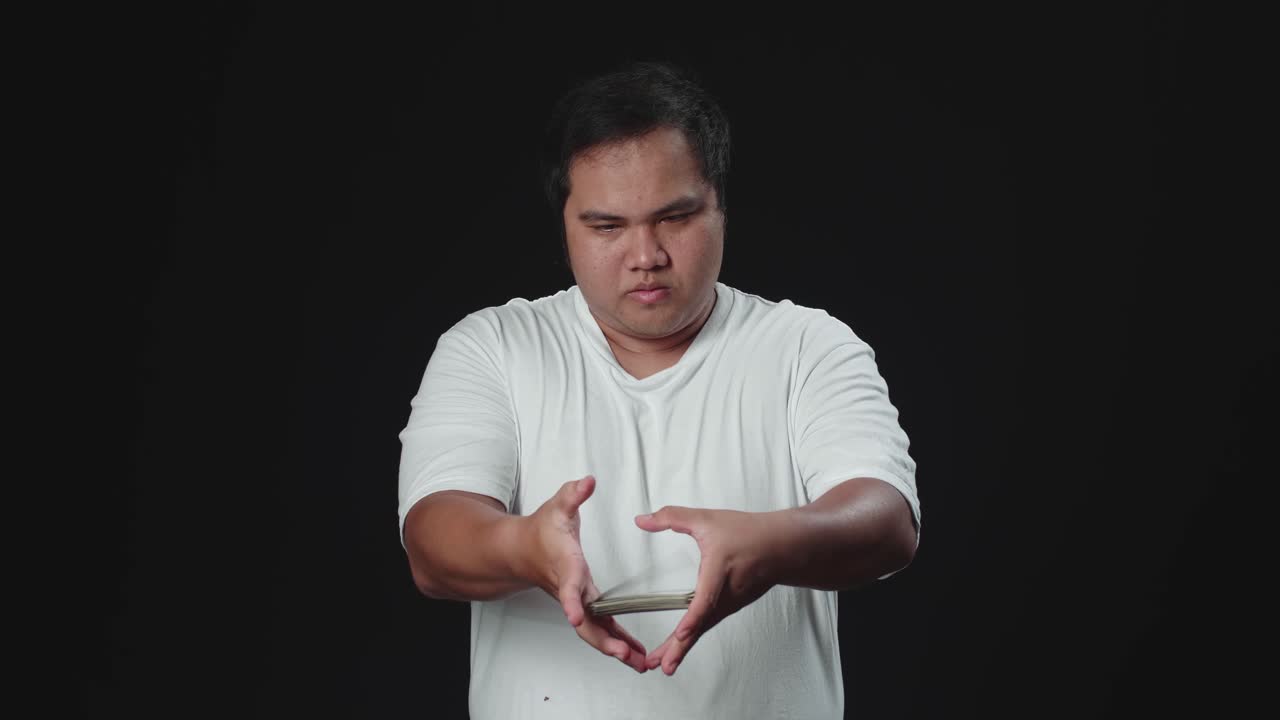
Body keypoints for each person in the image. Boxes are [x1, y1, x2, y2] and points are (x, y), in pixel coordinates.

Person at [397, 61, 921, 719]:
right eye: (607, 226)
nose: (645, 254)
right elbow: (433, 541)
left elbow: (886, 519)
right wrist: (527, 549)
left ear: (721, 207)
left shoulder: (807, 345)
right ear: (565, 227)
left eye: (674, 217)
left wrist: (772, 543)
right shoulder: (494, 347)